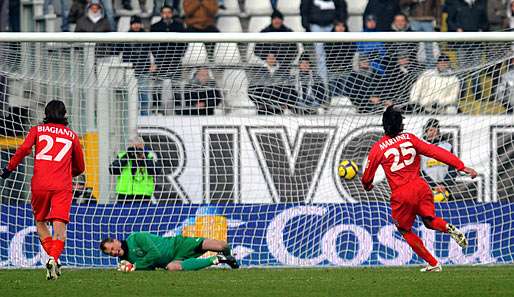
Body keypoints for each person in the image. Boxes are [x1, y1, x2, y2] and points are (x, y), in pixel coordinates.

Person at [361, 105, 477, 272]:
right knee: (429, 221)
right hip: (421, 187)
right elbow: (435, 151)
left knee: (404, 229)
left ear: (384, 125)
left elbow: (366, 178)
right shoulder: (410, 138)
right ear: (401, 125)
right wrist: (461, 166)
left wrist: (368, 186)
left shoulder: (378, 148)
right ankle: (447, 227)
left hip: (402, 193)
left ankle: (433, 263)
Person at [0, 100, 85, 280]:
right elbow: (80, 167)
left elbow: (23, 149)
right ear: (65, 114)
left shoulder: (36, 130)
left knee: (40, 223)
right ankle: (53, 258)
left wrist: (8, 169)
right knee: (59, 229)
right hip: (62, 186)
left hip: (40, 185)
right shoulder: (72, 136)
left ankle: (53, 260)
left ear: (46, 114)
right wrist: (66, 171)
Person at [100, 232, 239, 271]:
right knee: (172, 268)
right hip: (172, 260)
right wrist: (133, 269)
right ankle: (217, 260)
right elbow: (150, 269)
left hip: (179, 245)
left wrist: (135, 267)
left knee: (221, 246)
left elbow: (156, 254)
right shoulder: (125, 262)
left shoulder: (136, 238)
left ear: (116, 241)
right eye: (110, 253)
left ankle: (229, 256)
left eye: (112, 249)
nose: (113, 253)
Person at [109, 137, 161, 203]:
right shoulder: (122, 155)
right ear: (130, 147)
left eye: (139, 148)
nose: (136, 151)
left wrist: (144, 159)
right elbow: (112, 170)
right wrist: (127, 156)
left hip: (143, 195)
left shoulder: (149, 156)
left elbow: (156, 171)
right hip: (124, 195)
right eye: (134, 148)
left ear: (143, 147)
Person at [420, 118, 458, 198]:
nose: (433, 133)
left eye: (436, 130)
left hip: (445, 188)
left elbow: (453, 168)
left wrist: (445, 185)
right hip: (427, 188)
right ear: (426, 132)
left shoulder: (447, 146)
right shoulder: (421, 148)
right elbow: (419, 171)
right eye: (430, 130)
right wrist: (433, 185)